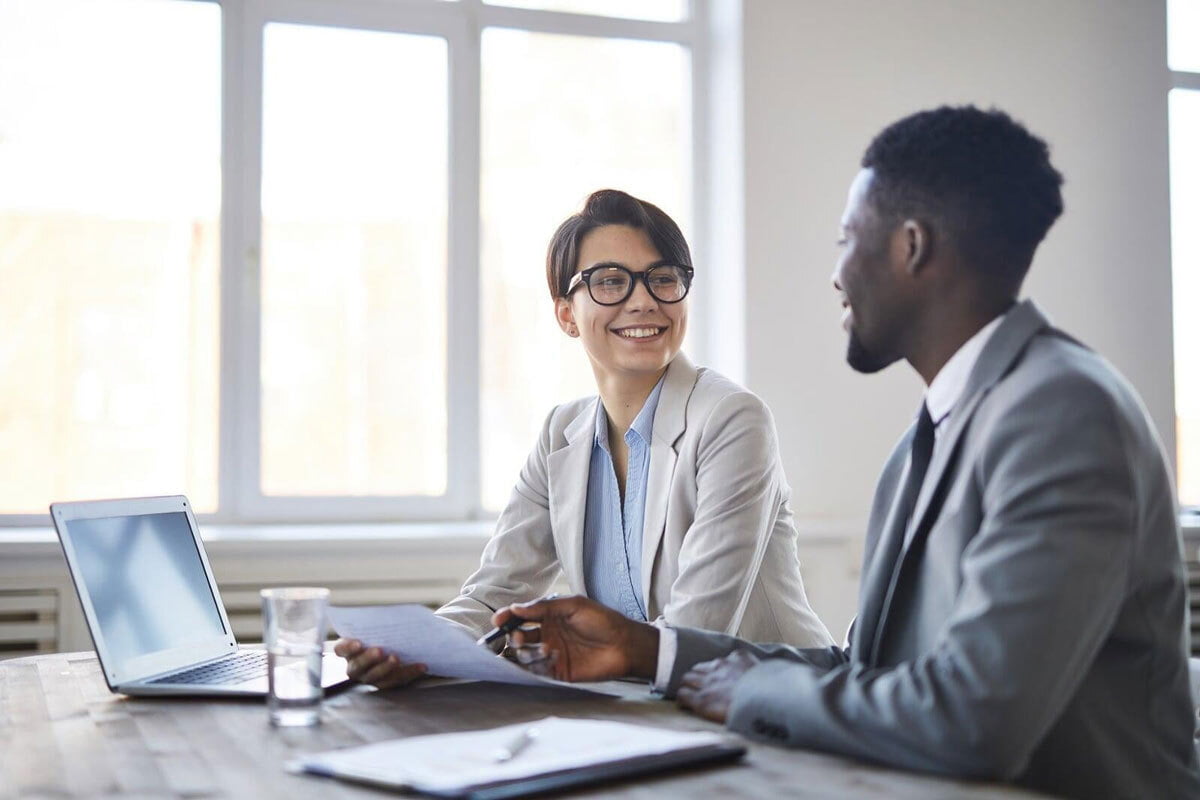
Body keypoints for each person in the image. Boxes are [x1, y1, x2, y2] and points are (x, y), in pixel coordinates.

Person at [491, 108, 1200, 799]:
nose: (836, 276)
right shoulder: (929, 437)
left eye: (846, 239)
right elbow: (864, 670)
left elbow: (977, 718)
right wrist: (645, 649)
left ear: (911, 247)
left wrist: (755, 686)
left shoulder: (1062, 413)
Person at [337, 189, 832, 688]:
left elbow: (697, 630)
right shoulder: (562, 434)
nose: (643, 301)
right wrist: (411, 650)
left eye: (663, 279)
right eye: (610, 281)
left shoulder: (732, 419)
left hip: (769, 707)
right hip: (641, 707)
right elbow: (494, 594)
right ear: (566, 314)